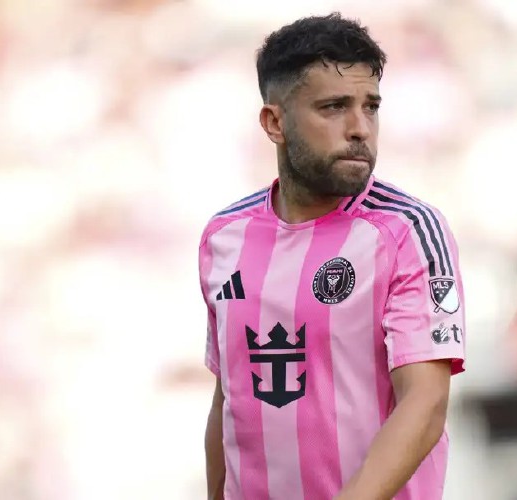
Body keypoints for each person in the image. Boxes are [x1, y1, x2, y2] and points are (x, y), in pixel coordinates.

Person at [199, 13, 466, 500]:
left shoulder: (407, 230)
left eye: (371, 107)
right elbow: (229, 398)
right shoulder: (225, 236)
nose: (360, 128)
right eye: (334, 107)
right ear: (275, 122)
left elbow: (425, 404)